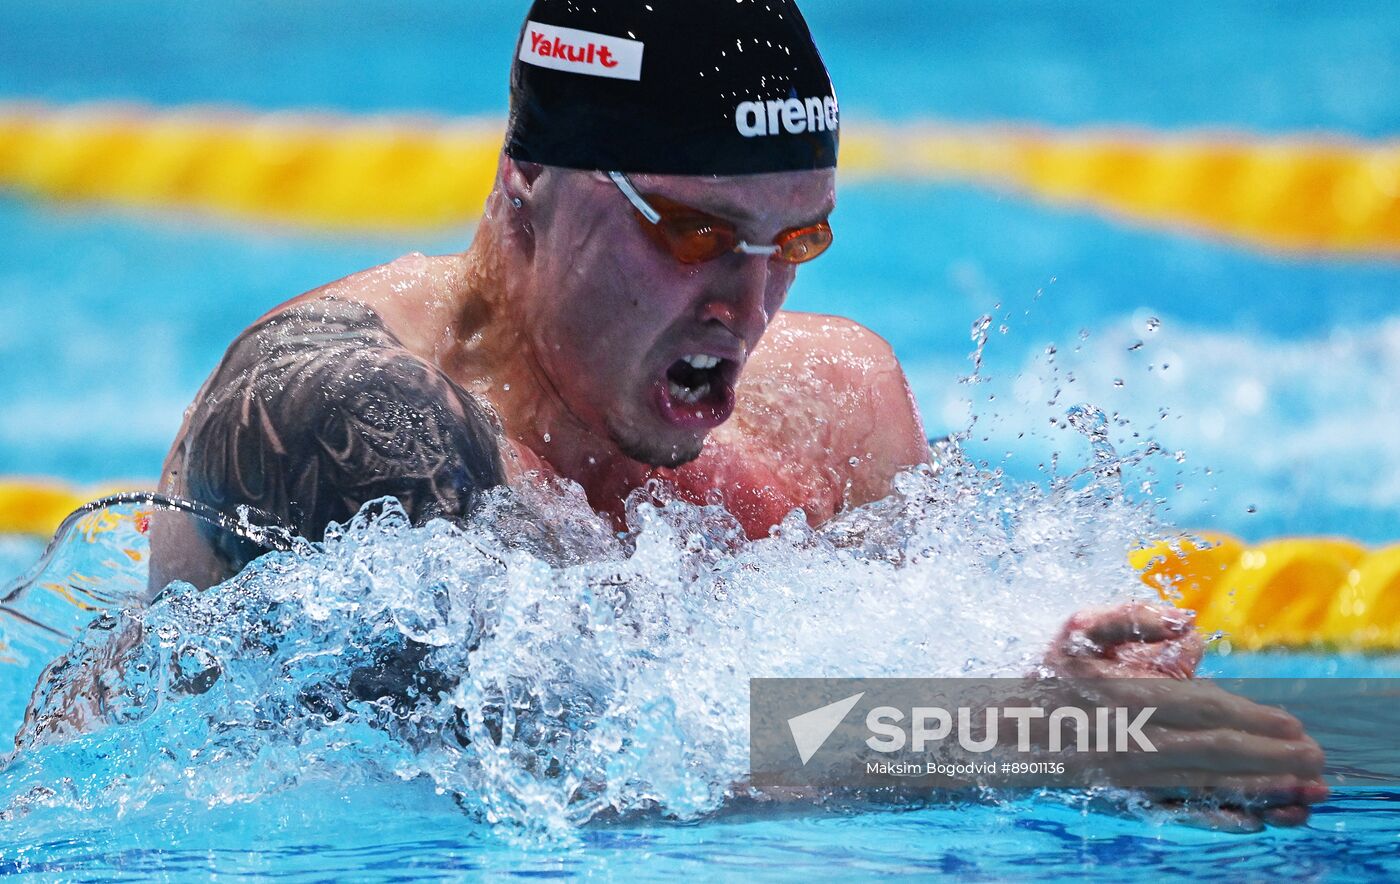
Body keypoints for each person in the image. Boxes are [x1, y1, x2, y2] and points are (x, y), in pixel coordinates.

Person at [146, 0, 1324, 830]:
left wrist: (1099, 718)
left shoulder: (833, 404)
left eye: (795, 241)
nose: (749, 304)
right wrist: (1012, 732)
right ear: (529, 184)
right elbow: (573, 771)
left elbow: (867, 739)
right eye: (695, 233)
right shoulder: (344, 405)